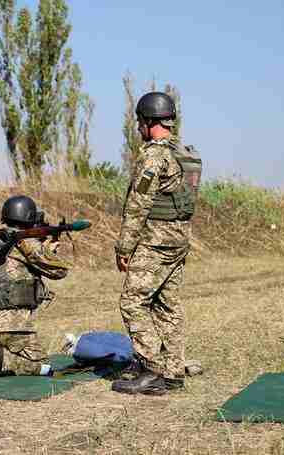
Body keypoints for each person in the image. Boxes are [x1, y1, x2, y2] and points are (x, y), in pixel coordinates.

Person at [112, 92, 202, 395]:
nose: (138, 127)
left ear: (150, 121)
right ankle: (174, 371)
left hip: (155, 242)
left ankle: (152, 369)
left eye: (140, 122)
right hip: (179, 241)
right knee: (168, 305)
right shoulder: (186, 153)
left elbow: (139, 205)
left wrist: (124, 247)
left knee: (133, 302)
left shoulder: (154, 155)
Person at [0, 195, 71, 379]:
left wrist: (43, 250)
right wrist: (49, 252)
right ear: (30, 218)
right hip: (9, 323)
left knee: (14, 345)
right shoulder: (25, 243)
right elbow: (59, 271)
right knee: (41, 365)